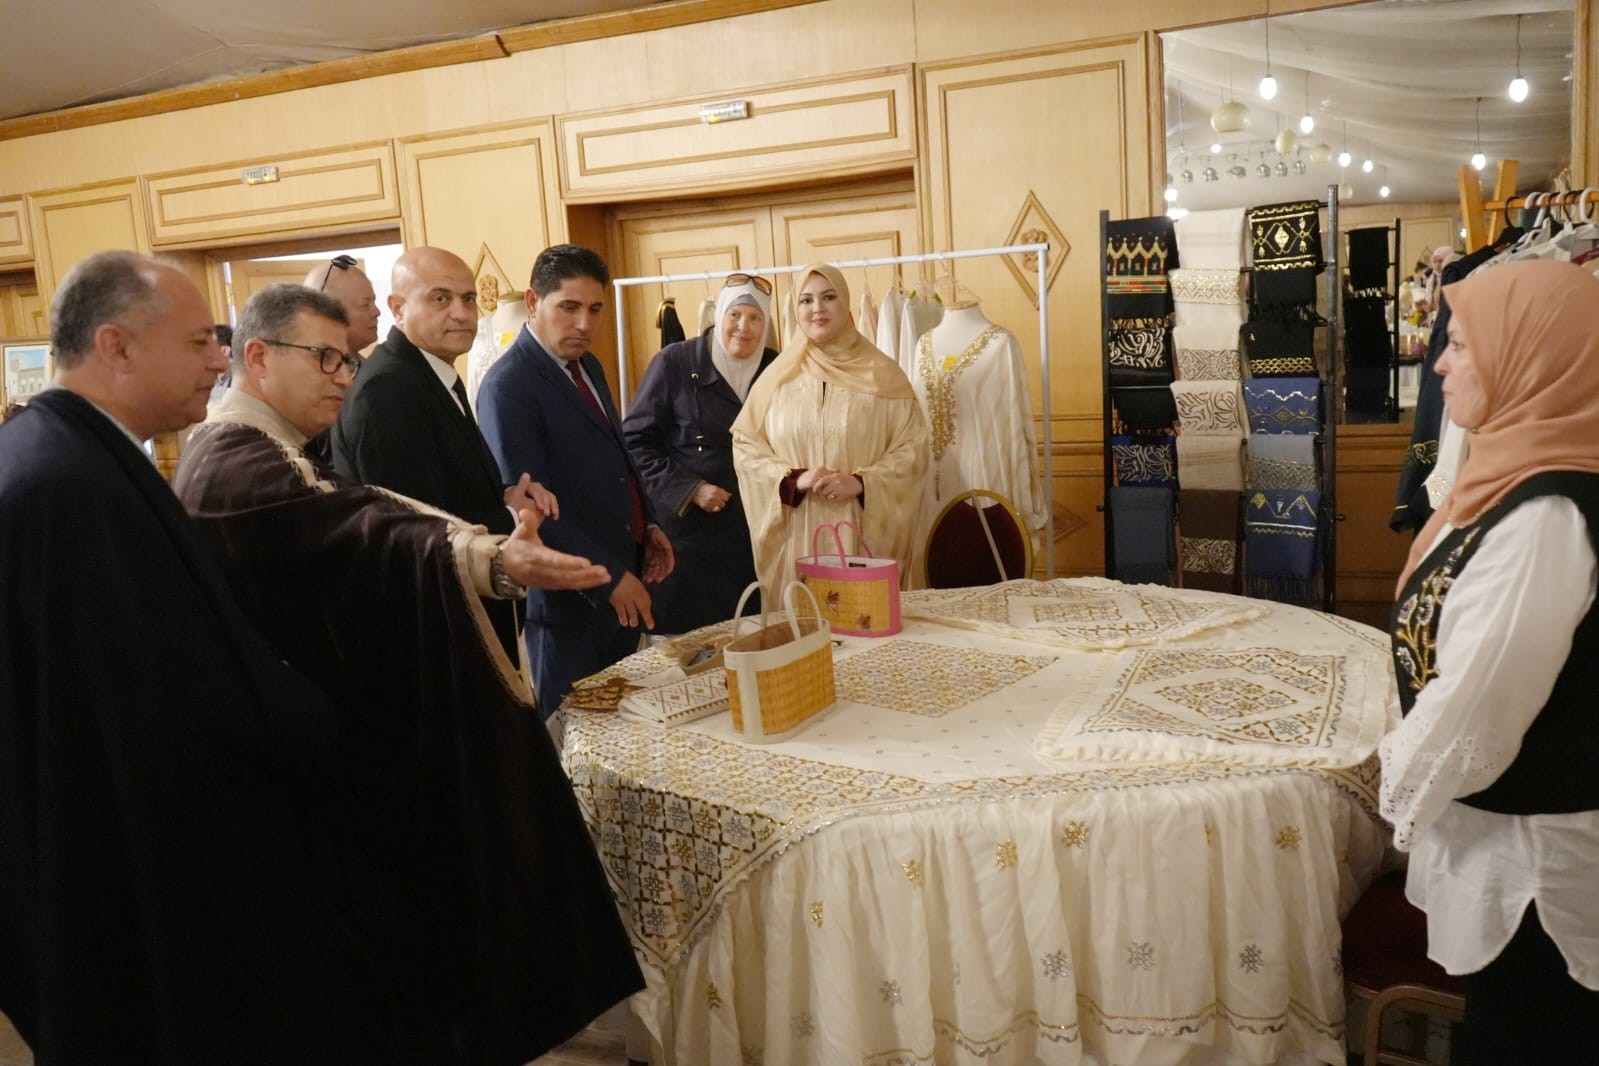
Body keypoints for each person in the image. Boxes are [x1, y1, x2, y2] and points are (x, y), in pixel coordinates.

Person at [175, 282, 643, 1064]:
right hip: (309, 766)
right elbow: (358, 527)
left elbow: (356, 512)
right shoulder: (235, 461)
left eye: (346, 361)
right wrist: (488, 557)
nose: (341, 377)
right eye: (324, 358)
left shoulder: (263, 446)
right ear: (257, 357)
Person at [0, 251, 381, 1063]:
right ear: (116, 346)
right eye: (201, 340)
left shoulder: (78, 453)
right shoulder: (66, 485)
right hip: (141, 873)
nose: (219, 359)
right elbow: (136, 703)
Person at [1381, 259, 1599, 1063]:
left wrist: (1386, 789)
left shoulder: (1545, 514)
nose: (1439, 364)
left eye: (1462, 345)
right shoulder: (1508, 479)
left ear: (1530, 360)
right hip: (1510, 843)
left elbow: (1476, 712)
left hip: (1535, 869)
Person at [478, 244, 674, 714]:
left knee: (622, 731)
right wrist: (607, 578)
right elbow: (529, 511)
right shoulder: (509, 385)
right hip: (566, 606)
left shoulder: (588, 365)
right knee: (571, 735)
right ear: (533, 302)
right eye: (569, 307)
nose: (584, 323)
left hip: (621, 587)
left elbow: (620, 457)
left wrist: (648, 525)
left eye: (595, 309)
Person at [329, 246, 549, 658]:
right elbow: (414, 524)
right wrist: (511, 515)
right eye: (440, 298)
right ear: (397, 308)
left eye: (468, 298)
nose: (461, 313)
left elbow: (445, 482)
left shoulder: (430, 371)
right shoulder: (388, 389)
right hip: (431, 626)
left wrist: (505, 496)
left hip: (462, 609)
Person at [732, 262, 929, 594]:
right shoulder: (776, 378)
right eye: (806, 300)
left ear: (845, 303)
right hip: (797, 538)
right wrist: (794, 479)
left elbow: (914, 451)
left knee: (862, 621)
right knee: (803, 622)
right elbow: (746, 448)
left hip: (861, 538)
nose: (817, 309)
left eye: (829, 297)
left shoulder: (884, 375)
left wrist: (862, 483)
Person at [622, 273, 778, 632]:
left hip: (753, 542)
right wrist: (691, 488)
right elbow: (634, 443)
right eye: (735, 315)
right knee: (686, 651)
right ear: (720, 315)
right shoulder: (675, 362)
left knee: (752, 642)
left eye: (755, 318)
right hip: (686, 545)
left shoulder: (776, 368)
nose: (744, 327)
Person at [305, 253, 381, 354]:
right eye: (365, 305)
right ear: (329, 313)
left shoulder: (360, 362)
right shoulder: (306, 363)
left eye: (373, 302)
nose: (376, 312)